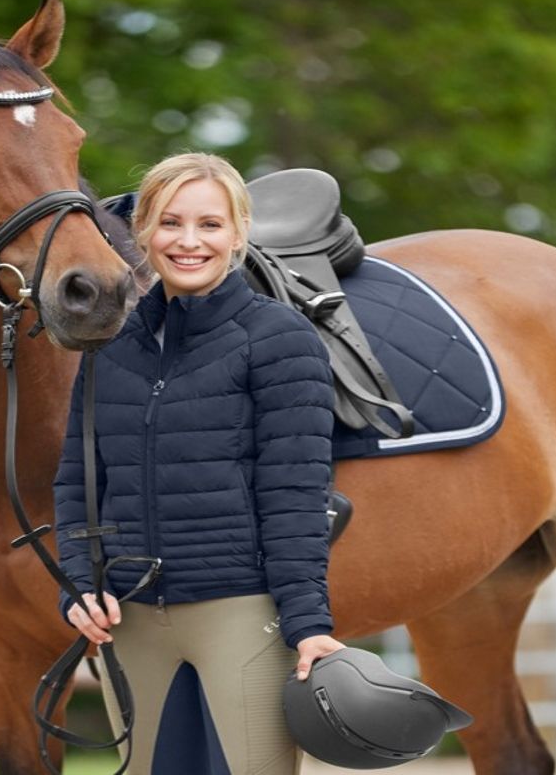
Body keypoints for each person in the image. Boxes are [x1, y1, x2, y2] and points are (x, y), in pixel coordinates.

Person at [54, 152, 344, 774]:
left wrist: (308, 621)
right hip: (130, 620)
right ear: (143, 233)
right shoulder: (107, 348)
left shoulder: (280, 339)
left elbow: (295, 493)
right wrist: (80, 583)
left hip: (240, 614)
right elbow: (79, 481)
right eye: (170, 223)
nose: (189, 242)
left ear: (238, 233)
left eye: (210, 225)